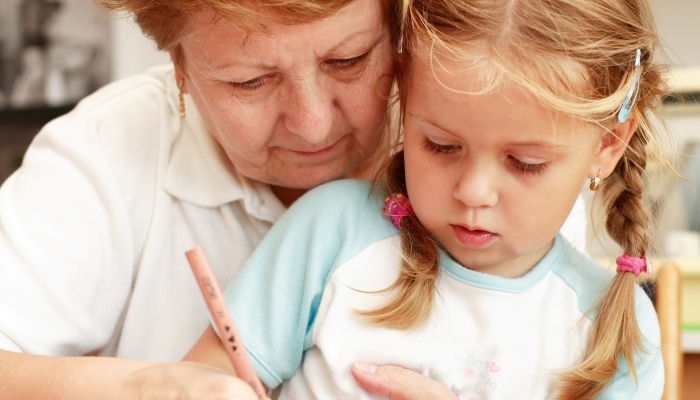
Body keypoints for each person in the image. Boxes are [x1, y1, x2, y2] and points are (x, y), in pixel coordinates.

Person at [184, 0, 671, 398]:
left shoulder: (614, 331)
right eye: (440, 146)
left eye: (524, 162)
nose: (473, 192)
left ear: (607, 146)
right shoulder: (331, 232)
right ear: (403, 98)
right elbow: (195, 385)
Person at [0, 0, 404, 398]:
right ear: (181, 71)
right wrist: (146, 389)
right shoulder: (105, 152)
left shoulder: (458, 122)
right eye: (251, 81)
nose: (313, 125)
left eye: (350, 60)